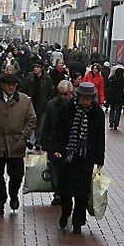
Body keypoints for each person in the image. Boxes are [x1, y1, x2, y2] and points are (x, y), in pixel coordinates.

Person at [48, 82, 106, 233]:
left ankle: (78, 222)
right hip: (68, 156)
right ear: (78, 96)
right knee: (65, 191)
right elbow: (58, 131)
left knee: (82, 192)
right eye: (83, 99)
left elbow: (100, 137)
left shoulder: (97, 113)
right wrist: (56, 149)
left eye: (89, 99)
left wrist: (99, 159)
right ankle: (65, 213)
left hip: (86, 157)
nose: (86, 102)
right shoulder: (67, 109)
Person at [0, 73, 37, 217]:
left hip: (16, 146)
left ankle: (14, 194)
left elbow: (31, 119)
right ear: (2, 85)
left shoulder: (24, 101)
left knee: (17, 175)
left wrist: (23, 136)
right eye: (8, 84)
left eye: (14, 85)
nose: (11, 87)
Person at [39, 80, 75, 206]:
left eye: (65, 94)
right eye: (60, 94)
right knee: (55, 169)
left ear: (71, 93)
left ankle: (66, 193)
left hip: (70, 144)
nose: (62, 97)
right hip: (54, 143)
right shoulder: (52, 104)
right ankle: (58, 193)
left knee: (68, 170)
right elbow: (47, 124)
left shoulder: (76, 106)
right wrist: (43, 141)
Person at [21, 63, 53, 138]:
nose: (35, 69)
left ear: (41, 68)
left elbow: (51, 92)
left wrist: (47, 102)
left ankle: (38, 140)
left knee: (40, 123)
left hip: (42, 104)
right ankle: (28, 137)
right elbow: (24, 88)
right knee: (30, 120)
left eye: (37, 67)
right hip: (31, 102)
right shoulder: (30, 77)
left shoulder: (47, 79)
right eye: (34, 67)